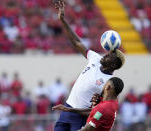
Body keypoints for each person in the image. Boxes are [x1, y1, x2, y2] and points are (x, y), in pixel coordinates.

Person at [53, 1, 125, 130]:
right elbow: (77, 42)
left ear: (113, 64)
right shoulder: (95, 58)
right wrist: (63, 20)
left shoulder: (109, 84)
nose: (105, 55)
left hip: (80, 117)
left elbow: (97, 110)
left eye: (109, 56)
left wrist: (73, 111)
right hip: (67, 108)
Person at [53, 77, 124, 131]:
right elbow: (94, 111)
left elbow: (88, 128)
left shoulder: (103, 108)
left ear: (107, 87)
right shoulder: (113, 101)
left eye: (105, 84)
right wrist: (68, 109)